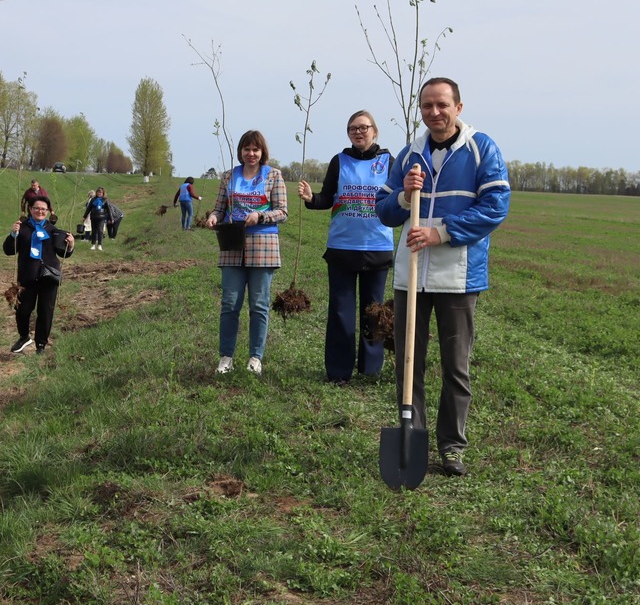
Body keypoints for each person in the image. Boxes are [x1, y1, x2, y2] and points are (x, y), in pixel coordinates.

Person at [375, 77, 510, 477]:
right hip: (410, 276)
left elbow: (496, 206)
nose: (434, 113)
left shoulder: (481, 148)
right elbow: (384, 211)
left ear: (458, 107)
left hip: (458, 276)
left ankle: (452, 446)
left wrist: (441, 232)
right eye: (427, 106)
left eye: (442, 105)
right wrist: (403, 194)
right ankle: (411, 439)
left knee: (456, 366)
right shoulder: (409, 154)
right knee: (408, 363)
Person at [298, 110, 393, 384]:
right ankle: (339, 372)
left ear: (375, 131)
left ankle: (370, 369)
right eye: (353, 128)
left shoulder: (389, 161)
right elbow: (327, 198)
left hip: (377, 246)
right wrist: (310, 198)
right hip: (342, 247)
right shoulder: (339, 161)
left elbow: (400, 200)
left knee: (374, 311)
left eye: (364, 127)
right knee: (340, 311)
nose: (358, 132)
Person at [205, 130, 288, 375]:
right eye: (246, 149)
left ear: (262, 152)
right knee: (229, 303)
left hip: (264, 246)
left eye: (256, 150)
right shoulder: (229, 176)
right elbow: (219, 208)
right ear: (240, 152)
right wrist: (212, 216)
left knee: (259, 305)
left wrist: (261, 215)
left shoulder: (274, 176)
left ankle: (255, 358)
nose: (251, 154)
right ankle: (226, 357)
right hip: (232, 245)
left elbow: (282, 211)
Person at [3, 197, 75, 354]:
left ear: (48, 212)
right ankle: (24, 337)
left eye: (43, 209)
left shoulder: (53, 230)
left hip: (49, 277)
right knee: (22, 310)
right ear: (30, 210)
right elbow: (9, 250)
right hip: (27, 277)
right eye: (37, 208)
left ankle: (40, 345)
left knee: (45, 312)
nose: (40, 211)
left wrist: (70, 246)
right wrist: (13, 235)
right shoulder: (22, 228)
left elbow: (63, 253)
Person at [84, 186, 111, 251]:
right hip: (93, 217)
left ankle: (99, 245)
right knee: (94, 231)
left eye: (100, 192)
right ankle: (93, 244)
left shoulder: (105, 200)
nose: (99, 193)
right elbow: (89, 208)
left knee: (100, 231)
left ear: (103, 193)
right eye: (98, 192)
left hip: (101, 218)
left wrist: (111, 218)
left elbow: (108, 209)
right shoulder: (93, 199)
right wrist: (84, 216)